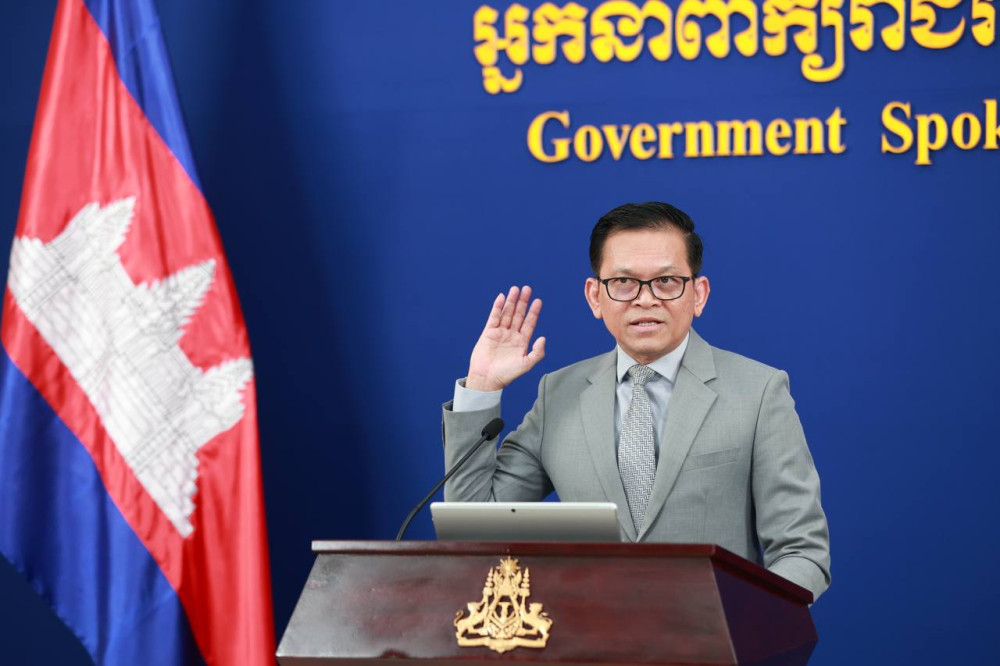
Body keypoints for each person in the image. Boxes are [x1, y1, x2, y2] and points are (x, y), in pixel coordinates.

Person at [442, 202, 831, 601]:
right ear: (595, 296)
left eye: (666, 281)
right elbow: (475, 528)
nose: (646, 299)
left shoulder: (759, 392)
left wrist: (745, 620)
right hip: (591, 634)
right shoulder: (558, 394)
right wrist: (482, 387)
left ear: (698, 294)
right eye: (624, 282)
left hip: (718, 634)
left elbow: (802, 551)